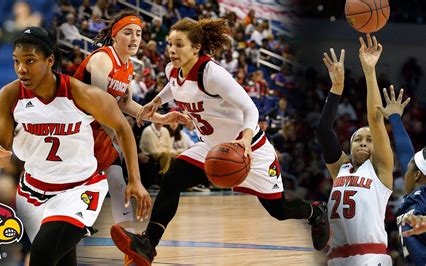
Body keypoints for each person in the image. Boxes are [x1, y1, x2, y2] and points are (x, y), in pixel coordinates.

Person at [109, 18, 329, 266]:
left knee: (279, 210)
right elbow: (174, 86)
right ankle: (148, 243)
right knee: (172, 178)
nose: (172, 49)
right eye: (170, 44)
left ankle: (315, 212)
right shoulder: (172, 70)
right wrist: (157, 101)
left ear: (196, 47)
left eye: (179, 44)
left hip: (249, 149)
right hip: (211, 147)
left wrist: (245, 139)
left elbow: (250, 108)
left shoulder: (212, 74)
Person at [0, 26, 151, 266]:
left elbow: (122, 127)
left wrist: (135, 180)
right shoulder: (9, 96)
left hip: (80, 190)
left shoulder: (81, 93)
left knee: (42, 257)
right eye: (16, 61)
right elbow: (2, 155)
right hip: (32, 192)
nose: (21, 69)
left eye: (30, 60)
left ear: (50, 60)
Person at [73, 10, 188, 261]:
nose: (135, 38)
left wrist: (161, 117)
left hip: (99, 130)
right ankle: (67, 228)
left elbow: (125, 103)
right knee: (82, 187)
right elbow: (99, 105)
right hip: (76, 129)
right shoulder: (103, 59)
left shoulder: (127, 66)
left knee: (118, 183)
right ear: (115, 36)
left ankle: (130, 246)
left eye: (138, 33)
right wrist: (117, 133)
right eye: (128, 32)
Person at [316, 35, 393, 265]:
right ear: (349, 145)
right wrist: (337, 88)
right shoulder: (341, 169)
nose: (363, 142)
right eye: (358, 139)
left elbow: (375, 119)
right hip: (336, 257)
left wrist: (369, 72)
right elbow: (323, 131)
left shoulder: (380, 170)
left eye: (369, 140)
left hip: (370, 256)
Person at [375, 86, 426, 264]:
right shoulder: (417, 192)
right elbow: (405, 153)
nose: (405, 165)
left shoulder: (420, 198)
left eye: (410, 166)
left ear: (418, 174)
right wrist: (395, 118)